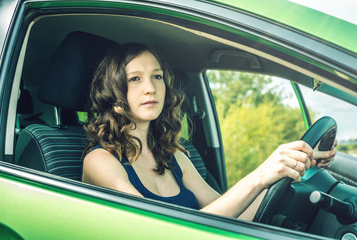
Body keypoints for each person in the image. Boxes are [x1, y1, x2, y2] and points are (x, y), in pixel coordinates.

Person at [82, 43, 337, 218]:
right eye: (134, 78)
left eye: (157, 76)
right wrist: (260, 174)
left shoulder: (173, 157)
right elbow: (163, 232)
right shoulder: (100, 161)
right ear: (113, 92)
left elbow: (230, 214)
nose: (151, 87)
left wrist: (291, 169)